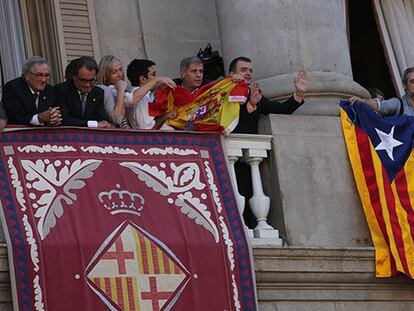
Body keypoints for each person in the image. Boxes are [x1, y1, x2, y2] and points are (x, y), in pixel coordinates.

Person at [229, 56, 309, 134]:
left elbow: (282, 109)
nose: (248, 73)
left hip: (251, 145)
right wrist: (231, 83)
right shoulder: (222, 92)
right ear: (232, 74)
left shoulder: (254, 94)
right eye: (243, 70)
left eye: (250, 71)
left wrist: (299, 93)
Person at [2, 56, 61, 126]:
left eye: (46, 75)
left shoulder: (50, 90)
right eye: (39, 75)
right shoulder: (12, 88)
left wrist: (54, 120)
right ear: (27, 76)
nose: (44, 80)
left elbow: (59, 115)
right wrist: (39, 118)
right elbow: (15, 118)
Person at [55, 56, 111, 128]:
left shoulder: (98, 92)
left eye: (91, 80)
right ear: (74, 77)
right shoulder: (62, 90)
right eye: (83, 80)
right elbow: (64, 120)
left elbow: (102, 120)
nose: (87, 85)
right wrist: (93, 124)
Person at [126, 59, 177, 130]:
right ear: (143, 79)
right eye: (153, 75)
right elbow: (148, 129)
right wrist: (167, 115)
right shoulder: (141, 97)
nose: (156, 78)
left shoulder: (149, 95)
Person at [350, 67, 414, 116]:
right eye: (413, 82)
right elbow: (381, 106)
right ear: (404, 85)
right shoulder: (398, 104)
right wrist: (363, 101)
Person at [97, 55, 129, 127]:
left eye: (121, 70)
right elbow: (117, 119)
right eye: (114, 72)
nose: (120, 75)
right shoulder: (103, 92)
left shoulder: (124, 91)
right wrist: (121, 90)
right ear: (105, 75)